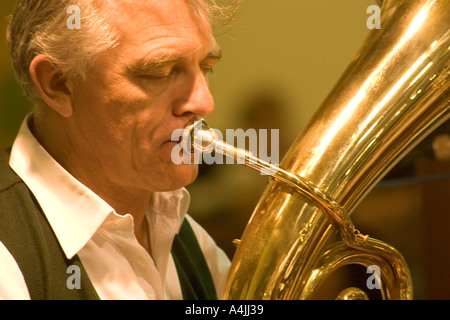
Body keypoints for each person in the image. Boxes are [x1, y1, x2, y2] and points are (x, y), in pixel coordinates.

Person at [0, 0, 238, 300]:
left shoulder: (188, 238)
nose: (204, 102)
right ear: (58, 83)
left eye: (206, 68)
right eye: (160, 72)